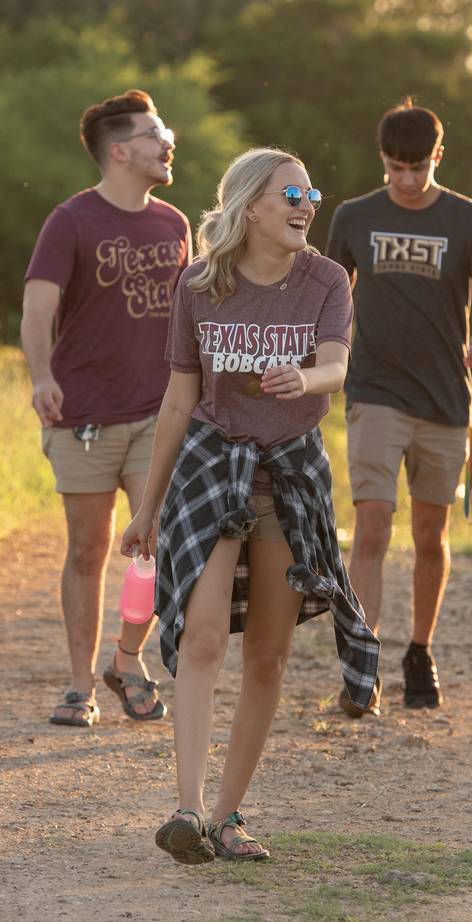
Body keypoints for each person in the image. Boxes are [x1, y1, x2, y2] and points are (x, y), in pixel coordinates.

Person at [120, 147, 378, 865]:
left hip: (289, 471)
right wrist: (147, 508)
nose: (306, 205)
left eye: (311, 193)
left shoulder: (325, 278)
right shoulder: (201, 285)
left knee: (268, 651)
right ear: (250, 206)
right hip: (212, 461)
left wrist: (308, 377)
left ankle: (230, 817)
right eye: (290, 193)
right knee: (200, 638)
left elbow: (337, 364)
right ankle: (188, 809)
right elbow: (178, 398)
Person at [325, 99, 472, 715]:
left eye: (418, 168)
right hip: (374, 390)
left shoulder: (469, 218)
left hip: (445, 398)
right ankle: (362, 659)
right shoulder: (354, 217)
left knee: (431, 533)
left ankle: (419, 649)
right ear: (382, 159)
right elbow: (328, 296)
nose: (406, 180)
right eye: (395, 168)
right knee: (372, 521)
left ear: (438, 157)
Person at [22, 89, 190, 728]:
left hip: (157, 412)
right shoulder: (71, 221)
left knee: (155, 542)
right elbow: (38, 306)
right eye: (155, 133)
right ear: (120, 151)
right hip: (85, 414)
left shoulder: (175, 224)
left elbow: (189, 315)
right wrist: (41, 376)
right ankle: (78, 685)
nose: (167, 141)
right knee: (88, 551)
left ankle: (127, 659)